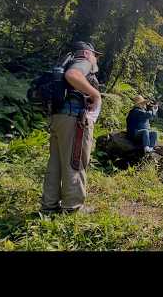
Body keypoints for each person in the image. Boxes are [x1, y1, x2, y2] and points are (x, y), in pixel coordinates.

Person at [40, 41, 102, 214]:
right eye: (95, 55)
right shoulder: (83, 61)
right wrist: (95, 94)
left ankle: (49, 206)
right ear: (87, 53)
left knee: (56, 163)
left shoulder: (65, 61)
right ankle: (73, 207)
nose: (96, 59)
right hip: (74, 120)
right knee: (76, 160)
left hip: (58, 117)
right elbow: (73, 75)